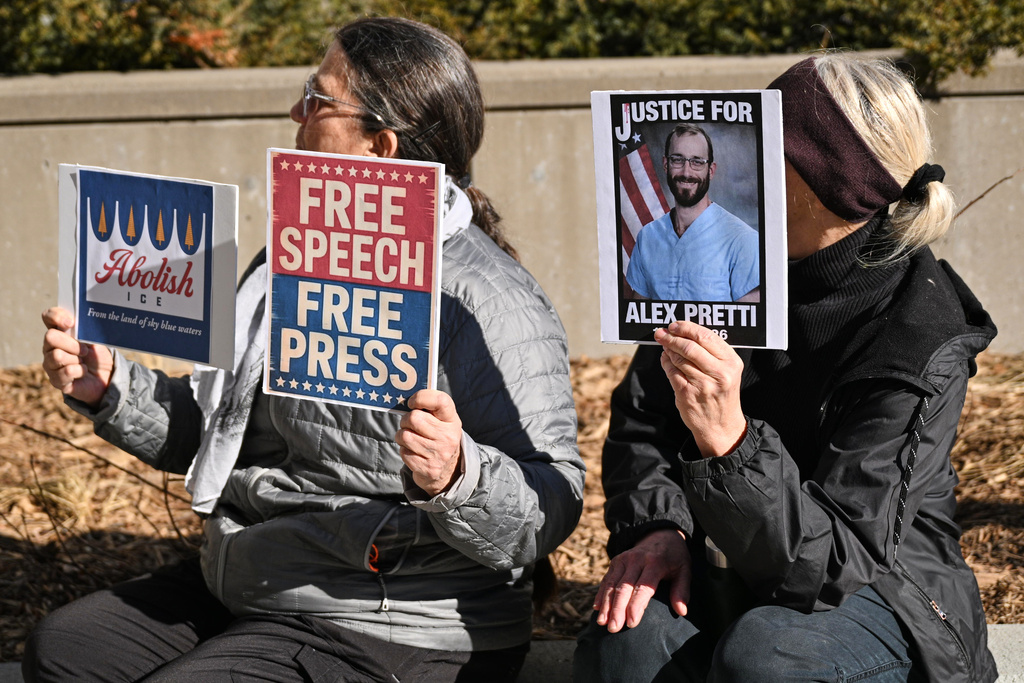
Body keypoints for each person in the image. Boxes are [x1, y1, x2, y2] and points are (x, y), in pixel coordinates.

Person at [25, 17, 584, 683]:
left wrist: (460, 474)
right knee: (62, 652)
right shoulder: (289, 260)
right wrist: (112, 387)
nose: (295, 112)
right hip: (261, 578)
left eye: (317, 100)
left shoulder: (488, 298)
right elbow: (218, 434)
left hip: (399, 622)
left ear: (380, 145)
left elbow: (553, 499)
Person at [575, 53, 998, 683]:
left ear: (830, 182)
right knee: (625, 643)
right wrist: (659, 526)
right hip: (726, 562)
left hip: (879, 592)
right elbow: (645, 421)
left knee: (767, 656)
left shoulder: (918, 338)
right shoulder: (717, 272)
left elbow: (836, 560)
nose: (747, 160)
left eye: (771, 146)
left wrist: (730, 444)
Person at [626, 123, 760, 302]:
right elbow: (638, 320)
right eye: (677, 160)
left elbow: (750, 326)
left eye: (697, 162)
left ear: (710, 170)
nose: (686, 172)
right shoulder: (647, 238)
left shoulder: (743, 240)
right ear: (666, 164)